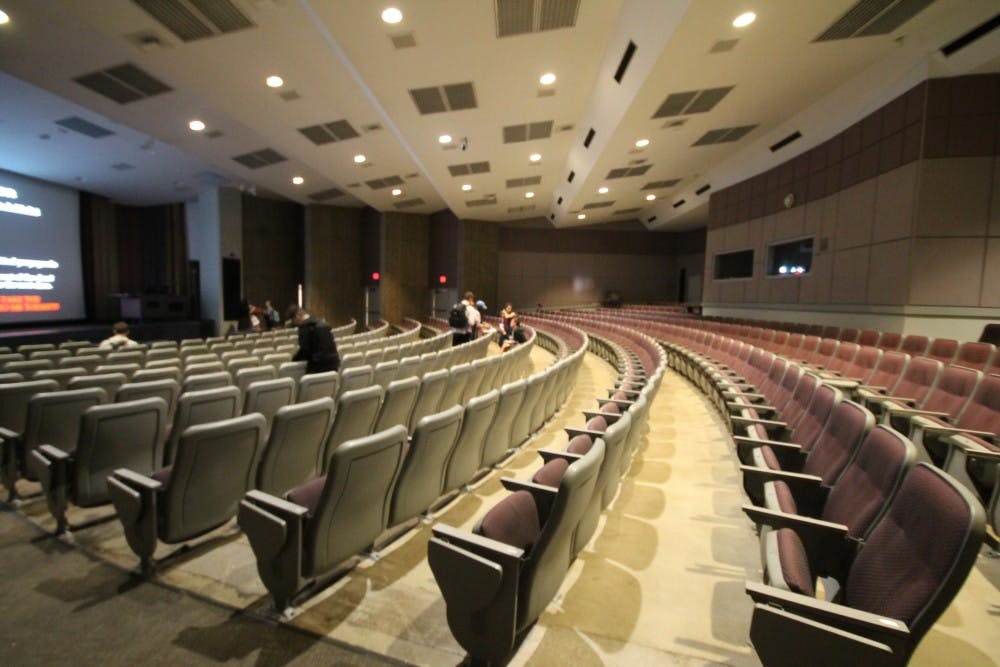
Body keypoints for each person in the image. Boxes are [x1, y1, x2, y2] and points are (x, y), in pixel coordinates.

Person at [292, 308, 340, 373]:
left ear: (297, 316)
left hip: (319, 367)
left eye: (293, 320)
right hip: (334, 364)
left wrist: (293, 360)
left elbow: (304, 350)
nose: (295, 324)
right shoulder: (323, 323)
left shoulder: (304, 326)